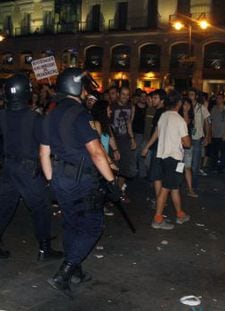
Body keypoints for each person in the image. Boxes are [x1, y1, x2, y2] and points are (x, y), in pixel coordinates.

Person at [40, 68, 121, 296]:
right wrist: (112, 182)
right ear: (76, 87)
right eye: (84, 88)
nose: (86, 92)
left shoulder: (50, 114)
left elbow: (44, 153)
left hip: (59, 180)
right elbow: (96, 152)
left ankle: (76, 271)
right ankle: (64, 273)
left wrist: (50, 182)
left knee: (72, 224)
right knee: (93, 226)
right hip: (80, 182)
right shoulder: (80, 114)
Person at [0, 74, 62, 260]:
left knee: (4, 207)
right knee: (41, 208)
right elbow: (45, 146)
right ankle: (45, 250)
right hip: (27, 170)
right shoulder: (35, 118)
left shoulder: (1, 114)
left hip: (8, 167)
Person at [151, 91, 191, 230]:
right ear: (179, 103)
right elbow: (186, 143)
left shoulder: (163, 116)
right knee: (166, 187)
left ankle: (180, 214)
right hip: (173, 158)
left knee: (174, 186)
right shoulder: (180, 120)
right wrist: (186, 139)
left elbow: (159, 132)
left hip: (162, 156)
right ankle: (157, 218)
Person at [111, 86, 137, 202]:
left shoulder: (130, 107)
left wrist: (132, 139)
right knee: (114, 169)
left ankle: (119, 192)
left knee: (125, 169)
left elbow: (129, 123)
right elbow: (108, 126)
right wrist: (113, 145)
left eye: (127, 95)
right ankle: (111, 194)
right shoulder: (111, 107)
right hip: (114, 142)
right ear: (118, 94)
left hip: (125, 141)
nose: (125, 97)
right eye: (123, 94)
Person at [188, 88, 211, 190]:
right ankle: (186, 184)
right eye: (189, 95)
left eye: (192, 94)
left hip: (197, 138)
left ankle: (194, 185)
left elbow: (207, 123)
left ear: (196, 96)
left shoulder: (201, 107)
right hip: (186, 138)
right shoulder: (185, 107)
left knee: (195, 164)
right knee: (185, 164)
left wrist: (207, 137)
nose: (190, 97)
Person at [179, 97, 198, 197]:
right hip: (179, 147)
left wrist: (186, 112)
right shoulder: (178, 116)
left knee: (187, 167)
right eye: (184, 104)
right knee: (178, 168)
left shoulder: (190, 116)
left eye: (187, 104)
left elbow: (187, 124)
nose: (185, 106)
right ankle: (176, 188)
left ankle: (190, 189)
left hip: (187, 146)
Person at [209, 93, 225, 173]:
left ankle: (221, 168)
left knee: (223, 153)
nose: (218, 100)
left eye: (220, 98)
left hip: (223, 134)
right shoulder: (214, 108)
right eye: (217, 98)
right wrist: (210, 132)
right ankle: (214, 167)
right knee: (214, 152)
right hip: (215, 134)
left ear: (223, 99)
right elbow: (211, 121)